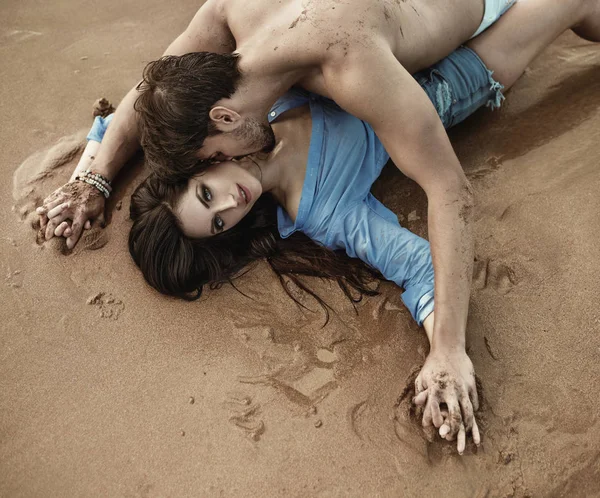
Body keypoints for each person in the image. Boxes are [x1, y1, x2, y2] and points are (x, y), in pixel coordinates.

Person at [36, 0, 600, 451]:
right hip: (442, 69)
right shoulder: (238, 26)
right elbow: (152, 92)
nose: (222, 187)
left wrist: (450, 349)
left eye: (206, 171)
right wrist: (94, 179)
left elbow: (450, 189)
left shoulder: (339, 64)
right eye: (220, 218)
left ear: (225, 117)